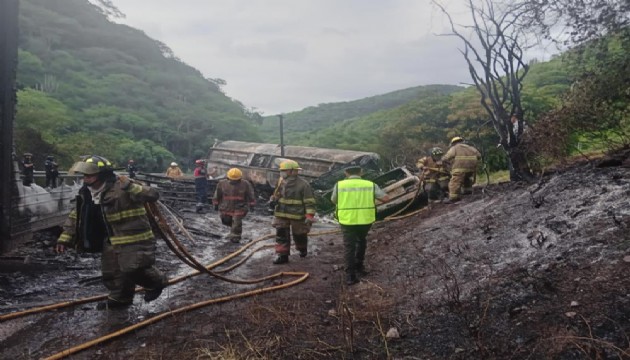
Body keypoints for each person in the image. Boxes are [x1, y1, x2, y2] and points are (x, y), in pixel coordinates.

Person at [55, 155, 167, 310]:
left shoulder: (122, 186)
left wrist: (131, 186)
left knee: (132, 268)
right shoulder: (86, 192)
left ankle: (157, 282)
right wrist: (64, 239)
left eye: (89, 175)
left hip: (133, 237)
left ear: (102, 175)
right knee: (112, 272)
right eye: (84, 175)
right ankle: (120, 298)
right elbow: (76, 216)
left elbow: (153, 195)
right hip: (110, 238)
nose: (85, 179)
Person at [331, 166, 390, 285]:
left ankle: (350, 276)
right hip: (365, 219)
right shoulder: (370, 184)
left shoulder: (340, 185)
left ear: (346, 173)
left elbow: (334, 200)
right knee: (361, 241)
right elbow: (385, 198)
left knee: (349, 246)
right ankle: (359, 266)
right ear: (361, 172)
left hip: (347, 219)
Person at [270, 160, 317, 264]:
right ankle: (282, 256)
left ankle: (302, 249)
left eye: (284, 170)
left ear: (292, 171)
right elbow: (277, 194)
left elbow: (309, 201)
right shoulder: (281, 181)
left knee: (299, 235)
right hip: (281, 213)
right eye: (281, 171)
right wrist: (273, 200)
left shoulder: (304, 184)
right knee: (281, 234)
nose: (281, 173)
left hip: (297, 215)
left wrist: (309, 215)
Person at [212, 168, 256, 243]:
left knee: (236, 222)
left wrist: (252, 205)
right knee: (226, 221)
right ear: (228, 177)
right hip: (225, 207)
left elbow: (251, 195)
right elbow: (217, 195)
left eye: (236, 180)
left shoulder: (245, 184)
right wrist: (215, 204)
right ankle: (232, 230)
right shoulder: (222, 183)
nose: (234, 181)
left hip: (240, 207)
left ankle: (235, 237)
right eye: (232, 179)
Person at [441, 137, 481, 203]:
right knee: (466, 178)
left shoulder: (454, 148)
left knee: (454, 182)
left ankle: (453, 198)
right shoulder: (471, 148)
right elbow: (479, 156)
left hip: (459, 168)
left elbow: (446, 157)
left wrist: (442, 160)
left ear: (453, 143)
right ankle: (467, 191)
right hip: (471, 169)